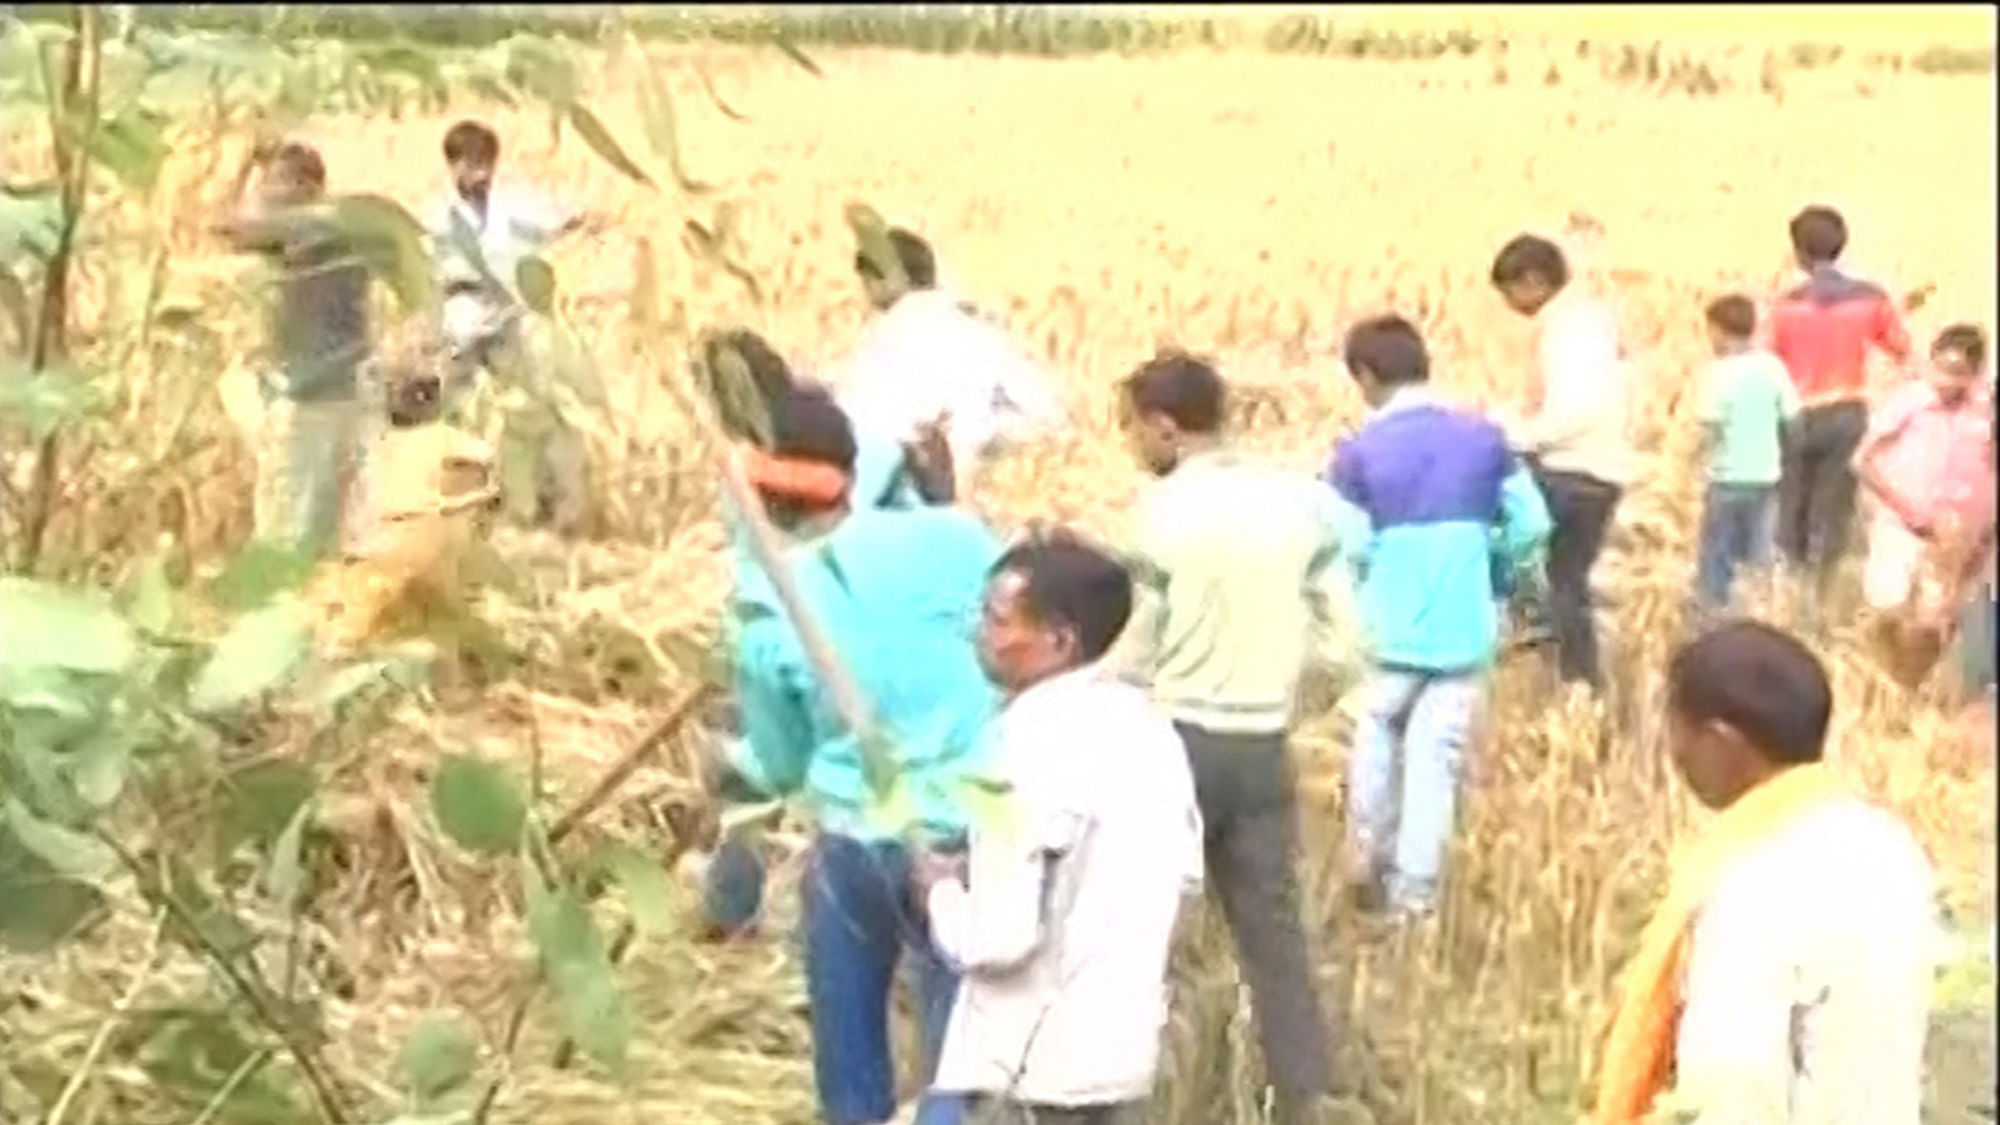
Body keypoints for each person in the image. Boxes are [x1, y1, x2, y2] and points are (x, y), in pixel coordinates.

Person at [716, 385, 1002, 1125]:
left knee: (849, 1075)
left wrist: (730, 757)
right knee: (960, 1061)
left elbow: (778, 768)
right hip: (966, 832)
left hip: (850, 842)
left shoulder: (768, 608)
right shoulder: (957, 541)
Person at [1109, 350, 1354, 1125]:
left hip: (1175, 739)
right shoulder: (1299, 502)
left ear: (1164, 427)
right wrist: (1287, 689)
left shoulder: (1161, 513)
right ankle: (1303, 1092)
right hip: (1261, 742)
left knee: (1140, 927)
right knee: (1273, 932)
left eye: (1132, 430)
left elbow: (1136, 645)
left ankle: (1139, 1090)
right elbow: (1346, 643)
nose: (1131, 446)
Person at [1593, 620, 1937, 1124]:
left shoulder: (1752, 881)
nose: (1674, 754)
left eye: (1676, 729)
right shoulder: (1888, 845)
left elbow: (1733, 1091)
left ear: (1720, 740)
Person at [920, 530, 1203, 1125]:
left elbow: (999, 938)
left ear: (1058, 641)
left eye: (998, 621)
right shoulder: (1151, 732)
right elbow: (1182, 885)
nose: (982, 635)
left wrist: (940, 890)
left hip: (1033, 1069)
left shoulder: (1023, 752)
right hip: (1118, 1056)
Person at [1326, 315, 1551, 918]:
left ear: (1366, 376)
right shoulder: (1484, 439)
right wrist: (1494, 566)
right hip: (1464, 631)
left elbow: (1344, 547)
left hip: (1385, 630)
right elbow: (1533, 524)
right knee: (1435, 763)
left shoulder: (1356, 454)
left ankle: (1363, 859)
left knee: (1375, 739)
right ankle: (1414, 902)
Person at [1488, 233, 1633, 695]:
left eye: (1510, 291)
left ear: (1533, 282)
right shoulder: (1590, 323)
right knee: (1566, 582)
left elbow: (1573, 412)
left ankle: (1568, 679)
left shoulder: (1570, 333)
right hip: (1599, 468)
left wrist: (1516, 436)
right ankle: (1575, 682)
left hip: (1572, 470)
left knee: (1548, 579)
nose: (1510, 305)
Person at [216, 139, 374, 560]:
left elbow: (226, 226)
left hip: (312, 400)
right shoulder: (324, 229)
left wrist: (244, 161)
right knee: (326, 527)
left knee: (287, 529)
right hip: (338, 392)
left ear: (305, 185)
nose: (263, 195)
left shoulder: (313, 223)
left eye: (272, 183)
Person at [827, 224, 1066, 497]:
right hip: (955, 490)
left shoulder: (886, 335)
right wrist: (983, 435)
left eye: (867, 283)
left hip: (878, 490)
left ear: (881, 279)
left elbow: (851, 415)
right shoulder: (979, 330)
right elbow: (1048, 412)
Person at [1768, 205, 1913, 597]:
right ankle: (1821, 600)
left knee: (1790, 510)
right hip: (1846, 411)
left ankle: (1788, 596)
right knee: (1831, 515)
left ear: (1798, 251)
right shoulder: (1871, 299)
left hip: (1796, 413)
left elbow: (1770, 361)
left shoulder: (1786, 306)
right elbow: (1902, 348)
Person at [1851, 323, 1995, 687]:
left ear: (1975, 373)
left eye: (1958, 373)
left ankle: (1908, 687)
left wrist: (1979, 534)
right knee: (1886, 603)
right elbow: (1863, 461)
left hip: (1951, 533)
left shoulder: (1984, 414)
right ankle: (1876, 678)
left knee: (1934, 622)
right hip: (1900, 522)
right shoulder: (1909, 402)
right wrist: (1906, 508)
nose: (1947, 381)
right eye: (1941, 369)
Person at [428, 119, 605, 394]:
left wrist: (587, 221)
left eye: (486, 163)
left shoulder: (510, 205)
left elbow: (553, 223)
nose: (481, 172)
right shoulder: (440, 218)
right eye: (473, 163)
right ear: (455, 165)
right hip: (463, 320)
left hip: (511, 316)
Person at [1691, 294, 1801, 615]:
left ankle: (1713, 618)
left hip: (1726, 479)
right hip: (1766, 479)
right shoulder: (1772, 366)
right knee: (1759, 559)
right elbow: (1793, 419)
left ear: (1719, 331)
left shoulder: (1716, 374)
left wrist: (1692, 464)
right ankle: (1759, 616)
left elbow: (1708, 427)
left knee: (1716, 560)